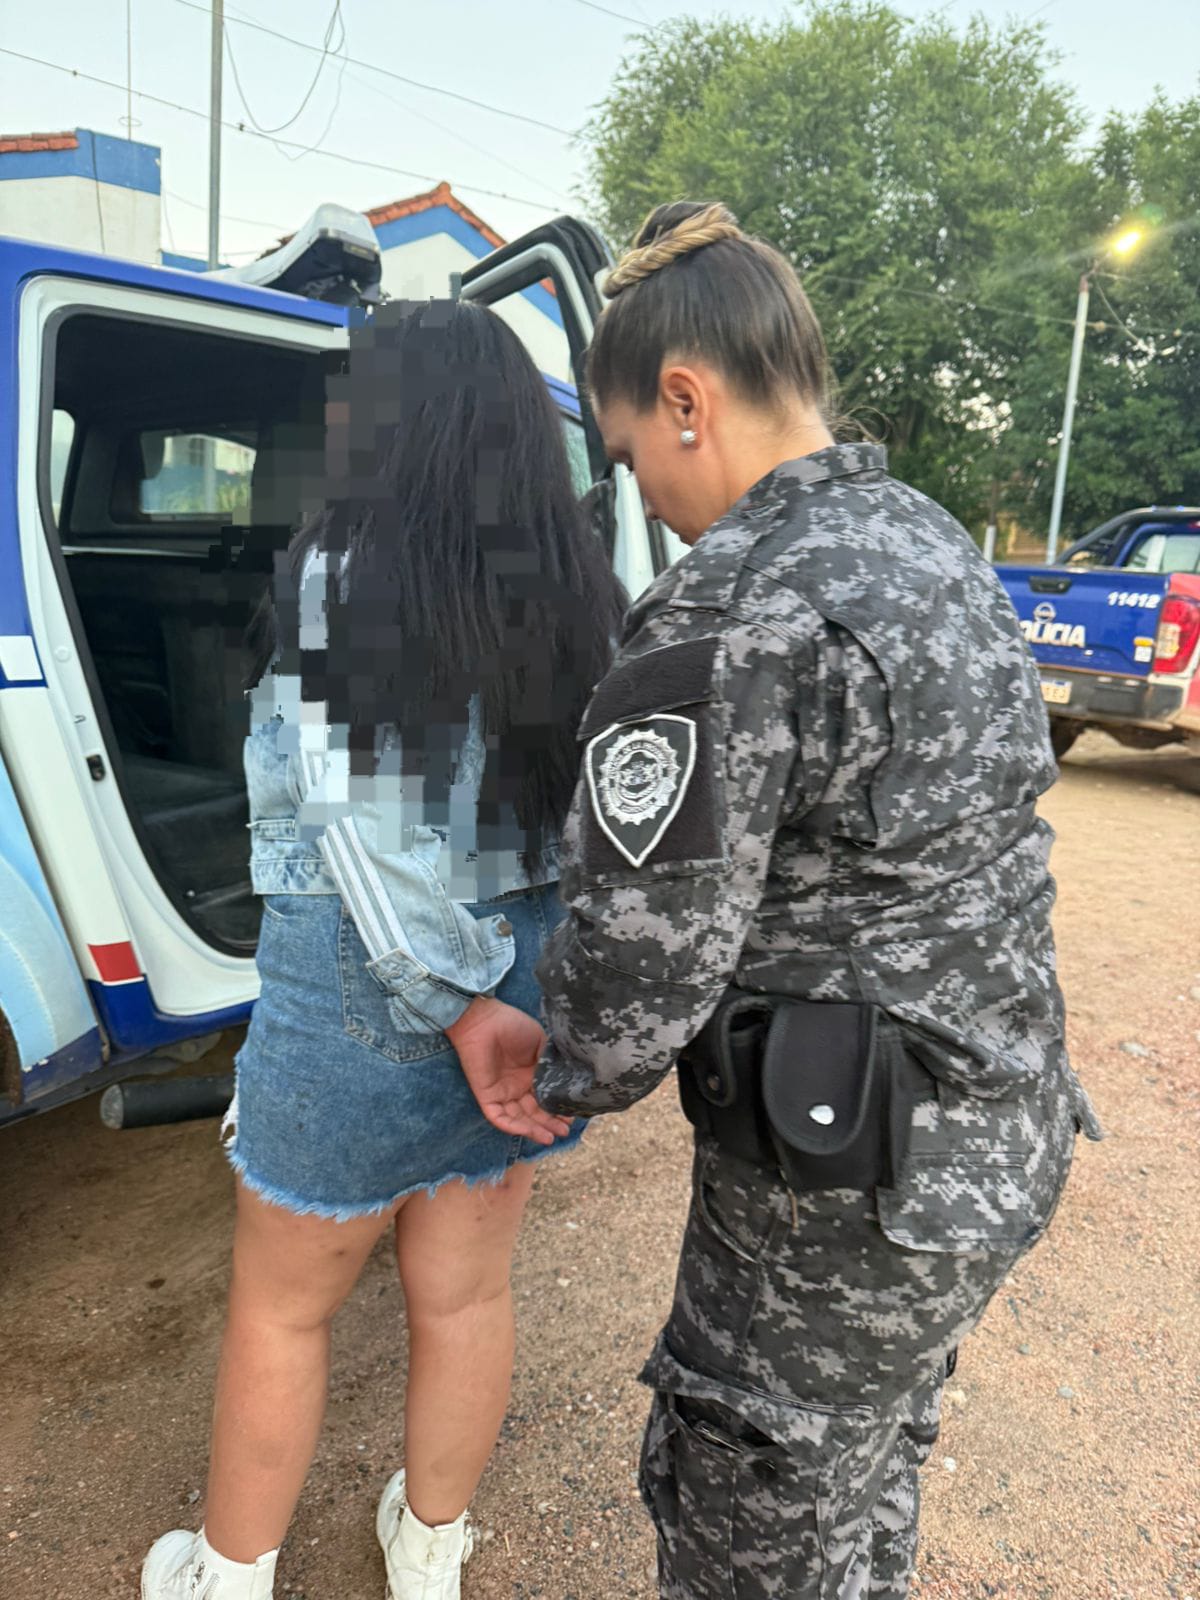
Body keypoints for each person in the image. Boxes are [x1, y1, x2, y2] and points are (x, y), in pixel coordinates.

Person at [532, 202, 1103, 1599]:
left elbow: (635, 984)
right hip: (992, 1138)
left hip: (838, 1199)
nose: (639, 498)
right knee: (859, 1479)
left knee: (755, 1515)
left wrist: (551, 1068)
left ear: (686, 402)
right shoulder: (932, 546)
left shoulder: (729, 610)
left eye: (628, 456)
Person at [141, 298, 626, 1600]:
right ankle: (429, 1549)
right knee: (465, 1299)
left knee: (284, 1307)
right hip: (521, 978)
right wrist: (515, 988)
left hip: (375, 985)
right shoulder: (577, 588)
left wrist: (453, 998)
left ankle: (227, 1575)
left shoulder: (345, 571)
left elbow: (359, 829)